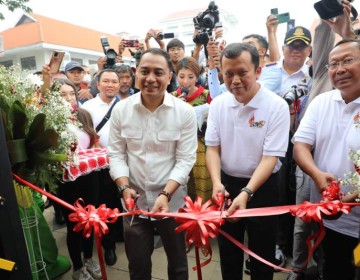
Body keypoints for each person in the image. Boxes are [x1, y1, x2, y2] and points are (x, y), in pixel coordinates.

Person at [107, 48, 198, 280]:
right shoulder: (121, 110)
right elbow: (116, 154)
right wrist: (124, 187)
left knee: (178, 264)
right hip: (134, 203)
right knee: (137, 266)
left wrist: (165, 194)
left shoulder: (185, 112)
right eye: (144, 71)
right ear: (135, 73)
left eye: (158, 72)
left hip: (173, 201)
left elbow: (185, 159)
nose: (150, 79)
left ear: (170, 77)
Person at [205, 42, 290, 280]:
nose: (235, 80)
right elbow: (212, 148)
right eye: (228, 73)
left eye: (243, 72)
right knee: (229, 250)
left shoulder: (276, 106)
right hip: (227, 186)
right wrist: (216, 182)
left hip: (262, 187)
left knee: (261, 254)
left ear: (258, 71)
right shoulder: (219, 104)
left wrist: (247, 192)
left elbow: (270, 157)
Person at [287, 2, 357, 279]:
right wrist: (316, 174)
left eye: (348, 61)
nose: (339, 69)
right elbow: (301, 146)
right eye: (333, 64)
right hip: (331, 218)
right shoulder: (321, 102)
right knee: (336, 268)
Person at [259, 25, 313, 269]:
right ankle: (279, 246)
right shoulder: (270, 73)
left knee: (301, 196)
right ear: (283, 48)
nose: (296, 51)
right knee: (277, 195)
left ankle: (300, 250)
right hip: (275, 144)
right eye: (292, 45)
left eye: (301, 46)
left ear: (309, 50)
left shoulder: (314, 75)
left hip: (306, 145)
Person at [53, 78, 102, 280]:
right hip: (68, 181)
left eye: (71, 93)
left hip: (89, 176)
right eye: (62, 95)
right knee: (75, 225)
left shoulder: (83, 115)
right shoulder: (51, 119)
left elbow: (94, 141)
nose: (69, 98)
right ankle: (78, 266)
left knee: (90, 220)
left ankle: (89, 258)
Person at [82, 69, 123, 267]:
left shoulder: (125, 106)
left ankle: (114, 239)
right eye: (106, 81)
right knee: (103, 203)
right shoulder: (87, 107)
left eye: (114, 81)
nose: (110, 85)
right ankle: (106, 244)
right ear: (97, 84)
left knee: (118, 202)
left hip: (121, 162)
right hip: (98, 166)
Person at [171, 56, 212, 202]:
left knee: (203, 188)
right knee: (182, 185)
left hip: (201, 147)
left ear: (197, 77)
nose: (186, 81)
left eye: (190, 77)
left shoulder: (207, 95)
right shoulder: (172, 97)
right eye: (181, 76)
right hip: (178, 148)